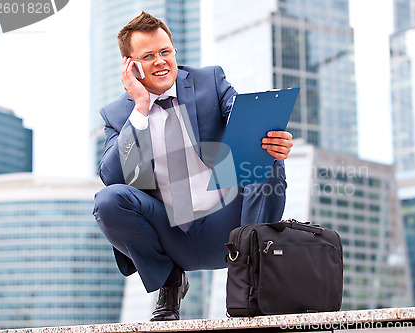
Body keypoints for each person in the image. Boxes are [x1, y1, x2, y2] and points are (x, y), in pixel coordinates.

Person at [93, 11, 294, 321]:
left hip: (229, 223)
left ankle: (251, 279)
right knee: (108, 201)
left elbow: (248, 127)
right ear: (130, 66)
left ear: (174, 51)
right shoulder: (119, 115)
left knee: (264, 158)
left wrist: (275, 143)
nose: (160, 61)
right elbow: (112, 177)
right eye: (148, 56)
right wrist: (140, 110)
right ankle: (169, 281)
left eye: (165, 51)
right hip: (171, 233)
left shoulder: (209, 81)